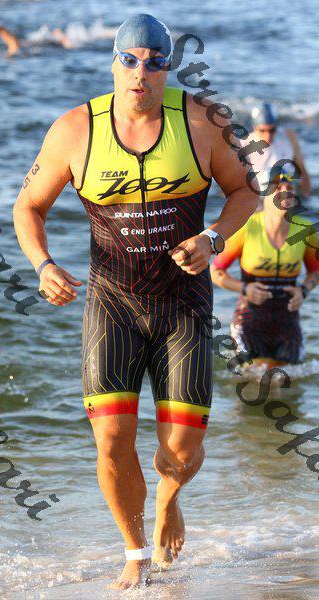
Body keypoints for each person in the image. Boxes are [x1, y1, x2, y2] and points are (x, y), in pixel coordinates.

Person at [13, 13, 257, 589]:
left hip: (184, 306)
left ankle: (169, 498)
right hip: (112, 305)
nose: (141, 73)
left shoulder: (203, 122)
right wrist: (43, 265)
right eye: (130, 60)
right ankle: (135, 551)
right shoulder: (76, 130)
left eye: (154, 63)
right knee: (111, 440)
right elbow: (28, 207)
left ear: (168, 68)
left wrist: (213, 238)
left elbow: (246, 191)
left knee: (182, 453)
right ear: (114, 63)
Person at [210, 170, 319, 369]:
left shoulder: (306, 230)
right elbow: (216, 271)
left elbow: (315, 271)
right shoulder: (247, 227)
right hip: (250, 318)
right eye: (278, 187)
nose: (285, 190)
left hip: (287, 318)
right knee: (255, 376)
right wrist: (245, 288)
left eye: (290, 186)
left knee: (291, 379)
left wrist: (303, 291)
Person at [244, 102, 311, 201]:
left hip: (287, 190)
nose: (268, 136)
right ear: (254, 127)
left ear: (276, 126)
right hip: (260, 196)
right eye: (262, 131)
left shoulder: (289, 137)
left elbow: (303, 172)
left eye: (272, 130)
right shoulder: (243, 146)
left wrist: (306, 199)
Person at [0, 24, 72, 57]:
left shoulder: (13, 47)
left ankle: (58, 36)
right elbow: (1, 29)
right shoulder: (13, 49)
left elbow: (1, 29)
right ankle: (57, 35)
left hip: (33, 45)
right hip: (35, 46)